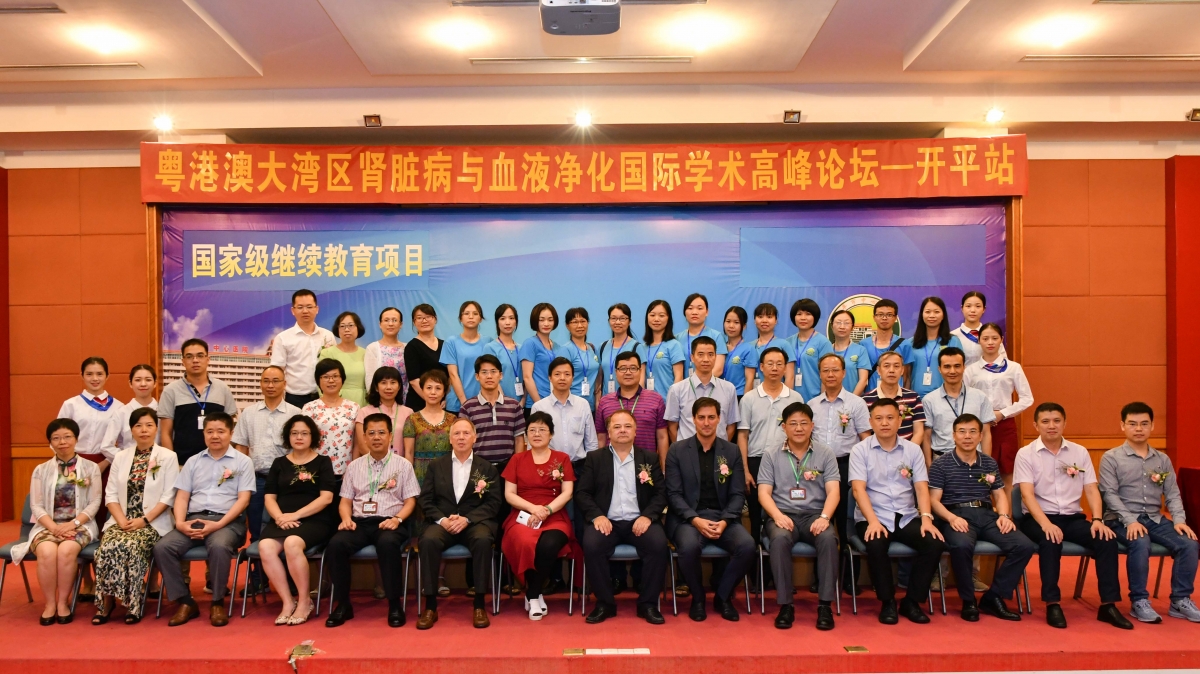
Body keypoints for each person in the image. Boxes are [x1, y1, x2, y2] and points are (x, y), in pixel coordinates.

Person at [1013, 402, 1131, 629]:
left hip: (1072, 517)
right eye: (1045, 421)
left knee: (1106, 539)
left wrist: (1097, 520)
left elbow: (1091, 489)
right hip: (1038, 518)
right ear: (1036, 425)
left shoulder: (1079, 452)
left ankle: (1108, 605)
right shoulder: (1026, 454)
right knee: (1050, 539)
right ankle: (1052, 603)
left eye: (1057, 421)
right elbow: (1026, 495)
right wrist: (1046, 524)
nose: (1051, 426)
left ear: (1064, 423)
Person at [1100, 402, 1200, 623]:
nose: (1139, 429)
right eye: (1132, 424)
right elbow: (1109, 495)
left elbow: (1172, 494)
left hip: (1154, 518)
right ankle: (1139, 601)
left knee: (1189, 543)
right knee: (1140, 541)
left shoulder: (1162, 459)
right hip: (1120, 519)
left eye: (1144, 424)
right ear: (1122, 426)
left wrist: (1179, 520)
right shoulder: (1111, 457)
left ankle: (1180, 600)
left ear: (1152, 426)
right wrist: (1130, 521)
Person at [928, 413, 1033, 622]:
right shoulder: (941, 464)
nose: (967, 436)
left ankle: (994, 597)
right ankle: (968, 601)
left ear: (980, 436)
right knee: (961, 546)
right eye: (962, 432)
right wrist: (951, 518)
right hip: (956, 515)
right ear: (954, 435)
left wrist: (1004, 515)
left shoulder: (988, 462)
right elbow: (933, 500)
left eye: (972, 432)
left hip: (987, 515)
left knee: (1024, 546)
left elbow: (999, 494)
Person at [152, 411, 254, 627]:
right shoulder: (193, 461)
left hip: (227, 523)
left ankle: (217, 601)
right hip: (194, 519)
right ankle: (185, 601)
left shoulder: (243, 462)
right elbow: (182, 496)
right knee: (162, 548)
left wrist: (219, 524)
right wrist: (180, 523)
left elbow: (244, 500)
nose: (215, 436)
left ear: (231, 433)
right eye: (210, 431)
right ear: (204, 434)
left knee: (219, 546)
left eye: (220, 431)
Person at [849, 399, 946, 624]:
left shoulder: (912, 450)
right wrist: (873, 521)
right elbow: (858, 490)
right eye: (879, 418)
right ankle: (887, 602)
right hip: (872, 515)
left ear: (900, 421)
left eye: (890, 418)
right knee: (876, 543)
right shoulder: (860, 450)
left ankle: (911, 601)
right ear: (870, 422)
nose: (885, 423)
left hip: (906, 515)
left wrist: (926, 518)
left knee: (934, 543)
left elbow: (921, 488)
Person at [665, 397, 756, 622]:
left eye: (711, 417)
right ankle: (698, 598)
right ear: (693, 419)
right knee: (688, 547)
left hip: (723, 517)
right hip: (688, 519)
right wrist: (695, 520)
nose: (706, 423)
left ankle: (722, 597)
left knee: (747, 546)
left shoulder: (732, 451)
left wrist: (725, 521)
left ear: (719, 419)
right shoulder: (677, 450)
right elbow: (673, 494)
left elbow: (737, 494)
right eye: (701, 418)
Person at [326, 412, 420, 628]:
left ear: (390, 436)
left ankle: (394, 605)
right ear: (365, 437)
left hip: (390, 522)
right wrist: (346, 519)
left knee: (388, 544)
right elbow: (345, 501)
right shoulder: (354, 466)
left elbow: (410, 501)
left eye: (381, 433)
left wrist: (397, 519)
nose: (376, 437)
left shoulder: (403, 465)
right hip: (359, 522)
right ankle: (343, 604)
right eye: (371, 433)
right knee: (336, 545)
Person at [576, 410, 669, 625]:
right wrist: (597, 516)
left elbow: (661, 493)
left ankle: (648, 604)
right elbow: (582, 493)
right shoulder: (595, 458)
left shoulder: (649, 458)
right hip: (607, 521)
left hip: (640, 520)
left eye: (627, 426)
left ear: (636, 431)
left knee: (658, 544)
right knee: (592, 545)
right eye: (617, 427)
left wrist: (648, 516)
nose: (622, 430)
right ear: (608, 432)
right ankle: (604, 604)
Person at [757, 402, 840, 631]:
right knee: (780, 539)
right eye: (793, 423)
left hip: (815, 515)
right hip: (782, 514)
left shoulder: (825, 453)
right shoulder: (771, 454)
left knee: (828, 539)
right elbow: (763, 493)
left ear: (812, 425)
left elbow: (834, 491)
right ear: (784, 427)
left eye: (804, 423)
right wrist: (776, 515)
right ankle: (785, 605)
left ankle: (825, 605)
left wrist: (825, 517)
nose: (799, 428)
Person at [11, 419, 102, 625]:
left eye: (67, 437)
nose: (62, 442)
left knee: (67, 551)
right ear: (50, 442)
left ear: (76, 439)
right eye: (56, 438)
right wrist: (54, 527)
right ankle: (50, 604)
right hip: (47, 525)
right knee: (46, 552)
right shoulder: (41, 470)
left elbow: (95, 502)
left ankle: (63, 603)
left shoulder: (91, 468)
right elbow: (36, 505)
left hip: (80, 526)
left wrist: (73, 524)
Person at [93, 408, 179, 625]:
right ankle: (107, 602)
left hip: (153, 522)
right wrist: (121, 520)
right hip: (122, 521)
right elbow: (111, 494)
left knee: (131, 546)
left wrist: (144, 520)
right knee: (107, 546)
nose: (144, 430)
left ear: (156, 428)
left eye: (149, 425)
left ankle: (133, 604)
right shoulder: (121, 457)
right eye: (138, 426)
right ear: (131, 430)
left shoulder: (168, 456)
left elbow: (169, 496)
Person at [416, 417, 503, 629]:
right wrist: (443, 519)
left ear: (475, 437)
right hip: (443, 522)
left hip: (474, 523)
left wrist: (467, 519)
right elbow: (425, 500)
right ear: (450, 438)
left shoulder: (487, 468)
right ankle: (430, 606)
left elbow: (494, 503)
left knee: (483, 541)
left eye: (466, 433)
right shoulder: (436, 466)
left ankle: (479, 605)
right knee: (428, 541)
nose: (461, 437)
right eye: (456, 433)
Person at [258, 415, 336, 626]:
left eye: (304, 433)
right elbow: (269, 498)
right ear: (288, 436)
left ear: (313, 437)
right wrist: (279, 518)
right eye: (294, 433)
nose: (299, 437)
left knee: (292, 543)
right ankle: (287, 601)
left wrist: (296, 515)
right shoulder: (279, 463)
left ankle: (304, 601)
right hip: (282, 520)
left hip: (315, 520)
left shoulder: (323, 462)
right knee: (265, 547)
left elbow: (326, 498)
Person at [501, 412, 578, 621]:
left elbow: (567, 492)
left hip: (554, 514)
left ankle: (532, 593)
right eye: (532, 430)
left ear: (551, 434)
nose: (537, 434)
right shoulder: (517, 459)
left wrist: (547, 510)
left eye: (542, 430)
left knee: (549, 543)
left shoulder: (562, 458)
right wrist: (533, 509)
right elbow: (509, 494)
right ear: (526, 434)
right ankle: (536, 596)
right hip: (523, 514)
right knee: (526, 542)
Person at [231, 365, 300, 597]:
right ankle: (259, 579)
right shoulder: (249, 413)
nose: (271, 385)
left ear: (284, 384)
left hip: (287, 482)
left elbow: (302, 449)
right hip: (258, 480)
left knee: (287, 530)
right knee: (258, 531)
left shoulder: (295, 414)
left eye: (276, 381)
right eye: (266, 381)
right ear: (260, 384)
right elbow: (241, 449)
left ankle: (290, 579)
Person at [736, 346, 797, 545]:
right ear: (761, 367)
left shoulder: (795, 398)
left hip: (785, 461)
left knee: (780, 512)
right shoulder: (749, 398)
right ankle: (755, 559)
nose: (775, 368)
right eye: (770, 364)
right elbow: (742, 435)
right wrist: (745, 469)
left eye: (779, 364)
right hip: (755, 461)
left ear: (785, 368)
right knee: (754, 515)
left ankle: (776, 555)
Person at [964, 323, 1032, 497]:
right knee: (981, 473)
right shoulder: (971, 370)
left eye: (994, 338)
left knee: (1006, 473)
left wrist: (1003, 414)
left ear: (1001, 340)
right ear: (979, 341)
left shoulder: (1013, 367)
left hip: (1005, 425)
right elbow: (964, 399)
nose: (990, 342)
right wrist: (981, 416)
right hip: (979, 426)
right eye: (985, 338)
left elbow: (1027, 398)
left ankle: (1007, 513)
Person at [159, 338, 240, 466]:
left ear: (208, 359)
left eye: (200, 356)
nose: (195, 360)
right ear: (183, 361)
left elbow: (230, 428)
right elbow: (165, 433)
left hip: (218, 464)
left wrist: (227, 462)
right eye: (189, 356)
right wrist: (171, 464)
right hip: (182, 464)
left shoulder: (222, 388)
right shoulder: (171, 390)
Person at [921, 347, 994, 466]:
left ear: (964, 367)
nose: (952, 371)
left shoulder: (980, 397)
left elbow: (985, 434)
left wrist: (986, 466)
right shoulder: (929, 400)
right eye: (947, 367)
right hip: (941, 461)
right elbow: (926, 436)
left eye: (957, 366)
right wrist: (929, 467)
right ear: (939, 369)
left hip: (974, 460)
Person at [58, 357, 123, 487]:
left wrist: (105, 463)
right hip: (73, 462)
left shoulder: (119, 407)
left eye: (99, 374)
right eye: (89, 374)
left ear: (107, 376)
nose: (94, 378)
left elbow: (124, 442)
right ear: (81, 375)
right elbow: (58, 436)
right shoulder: (71, 405)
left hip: (106, 464)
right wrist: (68, 462)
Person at [595, 351, 668, 465]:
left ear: (640, 371)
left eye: (633, 368)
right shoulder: (605, 402)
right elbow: (601, 437)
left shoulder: (656, 399)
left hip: (646, 466)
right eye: (623, 368)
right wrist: (601, 466)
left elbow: (662, 437)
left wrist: (663, 468)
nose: (628, 372)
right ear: (616, 372)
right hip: (612, 465)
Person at [531, 357, 599, 474]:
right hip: (549, 468)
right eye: (557, 374)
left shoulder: (583, 404)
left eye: (567, 374)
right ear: (550, 378)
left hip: (579, 468)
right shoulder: (539, 407)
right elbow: (533, 443)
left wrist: (591, 469)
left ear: (572, 378)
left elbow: (591, 442)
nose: (562, 378)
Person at [665, 336, 739, 443]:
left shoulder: (729, 389)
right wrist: (682, 449)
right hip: (687, 450)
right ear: (692, 357)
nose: (706, 359)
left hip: (718, 450)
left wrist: (720, 447)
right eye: (700, 354)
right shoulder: (677, 389)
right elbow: (672, 427)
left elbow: (731, 425)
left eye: (710, 354)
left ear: (715, 357)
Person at [271, 289, 337, 409]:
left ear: (317, 309)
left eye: (309, 307)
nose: (305, 311)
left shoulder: (328, 336)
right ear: (293, 310)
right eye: (300, 307)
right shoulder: (283, 338)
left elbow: (334, 367)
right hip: (295, 398)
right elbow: (277, 371)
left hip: (325, 395)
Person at [458, 355, 526, 468]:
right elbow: (463, 441)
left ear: (501, 375)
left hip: (507, 467)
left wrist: (516, 467)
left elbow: (519, 440)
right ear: (477, 376)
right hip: (478, 467)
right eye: (484, 372)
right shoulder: (467, 408)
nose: (489, 376)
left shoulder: (514, 406)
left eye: (493, 371)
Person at [302, 358, 360, 479]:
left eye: (335, 376)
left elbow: (357, 443)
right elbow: (305, 442)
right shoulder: (309, 408)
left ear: (342, 379)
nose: (331, 380)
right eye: (326, 377)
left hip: (346, 473)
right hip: (316, 473)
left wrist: (353, 470)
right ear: (318, 381)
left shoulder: (354, 407)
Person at [403, 369, 457, 486]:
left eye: (438, 388)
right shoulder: (412, 419)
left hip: (446, 474)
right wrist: (408, 481)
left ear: (444, 392)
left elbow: (456, 451)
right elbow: (409, 452)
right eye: (429, 388)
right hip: (420, 475)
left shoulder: (453, 419)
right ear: (422, 390)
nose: (433, 392)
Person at [862, 351, 926, 446]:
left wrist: (908, 452)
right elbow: (865, 433)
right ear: (878, 370)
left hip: (907, 452)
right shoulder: (865, 400)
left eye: (896, 366)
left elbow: (919, 432)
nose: (891, 370)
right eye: (886, 366)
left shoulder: (913, 397)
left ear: (902, 370)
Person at [904, 296, 964, 398]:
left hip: (945, 398)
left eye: (936, 312)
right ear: (922, 315)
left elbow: (959, 372)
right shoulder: (910, 343)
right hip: (917, 399)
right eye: (927, 312)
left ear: (943, 315)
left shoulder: (953, 341)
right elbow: (907, 376)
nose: (932, 315)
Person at [355, 366, 412, 458]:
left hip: (400, 464)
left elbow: (410, 449)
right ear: (376, 387)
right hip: (372, 464)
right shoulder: (364, 412)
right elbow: (362, 447)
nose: (388, 387)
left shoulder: (408, 412)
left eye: (393, 382)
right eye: (383, 383)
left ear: (399, 386)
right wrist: (383, 463)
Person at [442, 300, 487, 414]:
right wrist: (465, 403)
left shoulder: (488, 342)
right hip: (457, 403)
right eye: (466, 313)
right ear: (460, 318)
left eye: (475, 313)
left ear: (481, 319)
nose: (471, 317)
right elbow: (453, 374)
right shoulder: (451, 342)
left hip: (483, 402)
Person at [786, 298, 833, 402]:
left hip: (815, 399)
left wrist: (822, 401)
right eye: (799, 314)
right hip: (791, 400)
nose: (803, 318)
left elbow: (827, 375)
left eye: (808, 314)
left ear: (815, 317)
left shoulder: (823, 342)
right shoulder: (787, 343)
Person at [318, 311, 368, 408]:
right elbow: (321, 381)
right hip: (334, 402)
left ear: (358, 328)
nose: (347, 329)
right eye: (342, 326)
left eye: (351, 325)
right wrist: (326, 403)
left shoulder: (366, 353)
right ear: (337, 330)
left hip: (362, 402)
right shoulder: (327, 353)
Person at [520, 302, 563, 412]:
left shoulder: (557, 347)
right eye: (541, 320)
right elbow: (527, 377)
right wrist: (540, 405)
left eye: (550, 320)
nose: (546, 323)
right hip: (537, 404)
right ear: (535, 321)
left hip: (555, 403)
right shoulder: (530, 344)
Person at [403, 303, 447, 412]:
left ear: (435, 319)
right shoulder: (412, 347)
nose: (424, 320)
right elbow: (414, 380)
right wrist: (432, 400)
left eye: (428, 317)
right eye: (419, 318)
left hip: (443, 402)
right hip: (419, 403)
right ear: (414, 322)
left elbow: (450, 376)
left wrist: (445, 397)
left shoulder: (445, 345)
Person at [860, 299, 911, 391]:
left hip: (896, 395)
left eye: (889, 315)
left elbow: (906, 377)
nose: (884, 318)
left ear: (895, 318)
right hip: (870, 396)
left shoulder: (904, 344)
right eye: (880, 314)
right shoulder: (864, 344)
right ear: (874, 317)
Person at [364, 307, 409, 407]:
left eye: (394, 320)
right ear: (380, 324)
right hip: (380, 403)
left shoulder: (407, 348)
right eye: (386, 320)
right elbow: (370, 378)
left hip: (405, 401)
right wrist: (375, 402)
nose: (390, 324)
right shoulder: (373, 348)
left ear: (401, 324)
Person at [598, 303, 645, 398]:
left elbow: (641, 379)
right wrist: (598, 398)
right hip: (607, 401)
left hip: (629, 400)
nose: (618, 322)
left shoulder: (636, 347)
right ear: (609, 321)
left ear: (629, 321)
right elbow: (599, 378)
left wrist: (637, 401)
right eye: (614, 318)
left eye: (622, 318)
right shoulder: (603, 346)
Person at [743, 303, 794, 392]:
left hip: (776, 394)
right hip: (753, 394)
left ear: (776, 321)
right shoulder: (748, 346)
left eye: (769, 317)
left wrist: (785, 398)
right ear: (755, 320)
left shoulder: (784, 345)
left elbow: (789, 377)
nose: (764, 320)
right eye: (760, 317)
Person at [643, 299, 685, 398]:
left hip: (667, 402)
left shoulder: (674, 345)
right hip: (647, 404)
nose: (656, 319)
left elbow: (679, 377)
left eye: (661, 315)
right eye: (652, 315)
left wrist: (672, 401)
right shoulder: (642, 347)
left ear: (668, 318)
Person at [952, 291, 1007, 368]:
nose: (973, 310)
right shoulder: (952, 336)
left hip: (988, 375)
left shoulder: (992, 335)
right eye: (968, 306)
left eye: (978, 306)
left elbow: (1003, 361)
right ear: (962, 308)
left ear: (984, 309)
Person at [112, 364, 159, 451]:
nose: (143, 384)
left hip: (159, 458)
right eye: (138, 380)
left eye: (148, 380)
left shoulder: (163, 412)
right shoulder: (121, 413)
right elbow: (107, 446)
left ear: (155, 383)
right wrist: (126, 457)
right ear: (130, 383)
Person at [483, 303, 524, 402]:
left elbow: (527, 377)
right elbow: (491, 378)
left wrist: (522, 402)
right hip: (499, 403)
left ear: (516, 322)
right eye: (502, 318)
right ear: (497, 322)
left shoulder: (522, 348)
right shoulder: (490, 348)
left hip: (522, 404)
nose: (507, 322)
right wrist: (506, 403)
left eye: (511, 318)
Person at [681, 293, 728, 378]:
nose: (694, 312)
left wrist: (697, 383)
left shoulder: (716, 336)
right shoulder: (677, 338)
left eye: (700, 308)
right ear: (685, 312)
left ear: (707, 312)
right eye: (690, 308)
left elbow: (718, 369)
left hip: (709, 385)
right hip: (684, 385)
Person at [563, 307, 600, 408]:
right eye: (575, 322)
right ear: (567, 326)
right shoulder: (566, 350)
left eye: (583, 321)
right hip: (571, 405)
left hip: (591, 405)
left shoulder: (592, 348)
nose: (580, 325)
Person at [829, 310, 869, 395]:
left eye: (846, 323)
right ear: (832, 326)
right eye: (838, 322)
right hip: (830, 399)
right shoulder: (826, 350)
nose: (842, 327)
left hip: (854, 399)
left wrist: (852, 400)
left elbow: (863, 380)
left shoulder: (860, 350)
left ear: (852, 327)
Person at [721, 306, 755, 398]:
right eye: (728, 321)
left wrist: (745, 401)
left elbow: (749, 379)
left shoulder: (748, 349)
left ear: (744, 326)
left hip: (738, 395)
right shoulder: (720, 347)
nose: (731, 326)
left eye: (736, 322)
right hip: (720, 395)